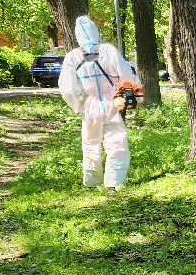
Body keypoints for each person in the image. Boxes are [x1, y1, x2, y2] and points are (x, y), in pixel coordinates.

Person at [59, 15, 141, 193]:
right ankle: (114, 181)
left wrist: (79, 104)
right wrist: (130, 94)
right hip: (113, 104)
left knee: (90, 143)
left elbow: (68, 88)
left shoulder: (73, 56)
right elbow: (126, 75)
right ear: (95, 31)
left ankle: (92, 180)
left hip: (90, 105)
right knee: (117, 142)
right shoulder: (108, 51)